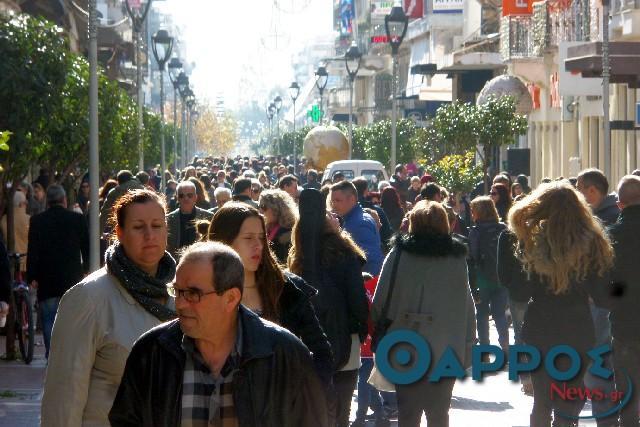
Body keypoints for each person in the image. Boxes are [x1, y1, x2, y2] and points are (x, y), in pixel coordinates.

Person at [109, 242, 328, 426]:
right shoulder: (151, 352)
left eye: (193, 293)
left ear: (231, 298)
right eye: (177, 291)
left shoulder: (285, 355)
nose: (180, 304)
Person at [41, 189, 176, 426]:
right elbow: (64, 396)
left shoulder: (183, 293)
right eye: (138, 227)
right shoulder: (87, 298)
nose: (149, 235)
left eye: (157, 225)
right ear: (119, 232)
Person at [507, 181, 613, 427]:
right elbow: (603, 297)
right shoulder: (593, 243)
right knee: (569, 402)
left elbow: (520, 294)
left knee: (542, 401)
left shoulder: (530, 242)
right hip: (578, 328)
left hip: (539, 326)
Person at [371, 200, 476, 426]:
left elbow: (380, 301)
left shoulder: (398, 254)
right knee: (439, 414)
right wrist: (468, 345)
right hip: (446, 348)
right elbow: (467, 306)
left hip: (403, 345)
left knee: (408, 414)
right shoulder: (457, 259)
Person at [207, 203, 333, 385]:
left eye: (261, 237)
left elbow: (321, 351)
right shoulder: (205, 291)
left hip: (283, 406)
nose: (258, 245)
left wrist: (304, 397)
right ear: (224, 242)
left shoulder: (288, 288)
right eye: (248, 238)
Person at [289, 189, 369, 427]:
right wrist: (359, 327)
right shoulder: (345, 253)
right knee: (342, 408)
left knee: (313, 408)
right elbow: (357, 300)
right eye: (329, 214)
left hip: (307, 342)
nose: (335, 216)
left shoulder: (298, 255)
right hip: (346, 339)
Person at [26, 185, 89, 359]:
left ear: (48, 202)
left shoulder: (37, 221)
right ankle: (70, 355)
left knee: (48, 318)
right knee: (73, 318)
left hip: (47, 279)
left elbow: (33, 251)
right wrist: (88, 270)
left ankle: (51, 356)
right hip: (72, 278)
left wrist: (31, 276)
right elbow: (87, 248)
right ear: (64, 200)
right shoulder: (77, 219)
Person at [606, 175, 640, 426]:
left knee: (627, 387)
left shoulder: (612, 236)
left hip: (625, 319)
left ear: (620, 204)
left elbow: (604, 279)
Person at [468, 196, 509, 353]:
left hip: (482, 278)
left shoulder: (475, 232)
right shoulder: (503, 228)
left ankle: (484, 348)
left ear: (478, 212)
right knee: (499, 313)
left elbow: (473, 256)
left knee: (482, 314)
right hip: (501, 277)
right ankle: (505, 344)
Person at [330, 181, 383, 276]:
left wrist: (364, 286)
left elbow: (370, 261)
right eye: (332, 201)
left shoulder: (360, 223)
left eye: (337, 200)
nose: (334, 205)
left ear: (352, 199)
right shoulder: (353, 219)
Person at [166, 181, 213, 259]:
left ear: (195, 197)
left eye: (189, 195)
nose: (186, 198)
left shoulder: (208, 216)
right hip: (177, 263)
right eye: (181, 196)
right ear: (177, 198)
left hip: (201, 261)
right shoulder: (169, 219)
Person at [258, 189, 297, 265]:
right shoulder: (263, 229)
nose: (260, 210)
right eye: (259, 206)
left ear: (276, 209)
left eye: (263, 207)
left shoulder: (289, 233)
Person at [1, 191, 30, 272]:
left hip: (9, 263)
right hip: (27, 264)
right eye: (25, 203)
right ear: (21, 204)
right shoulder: (30, 219)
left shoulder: (3, 220)